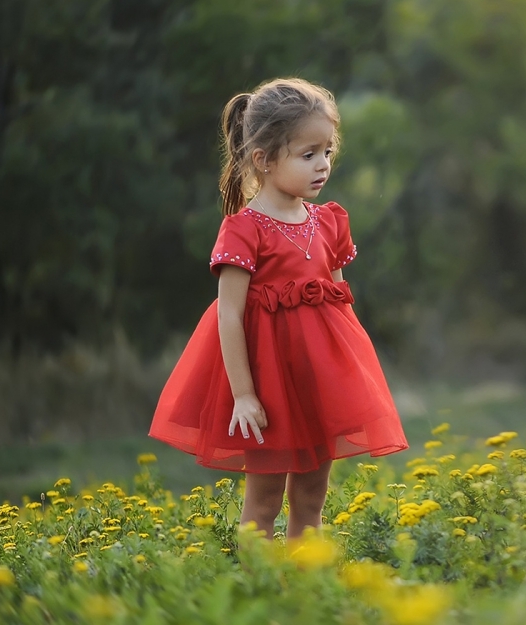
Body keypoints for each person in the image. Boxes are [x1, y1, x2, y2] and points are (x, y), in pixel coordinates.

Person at [150, 78, 408, 539]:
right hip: (268, 389)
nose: (323, 165)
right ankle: (265, 596)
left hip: (317, 385)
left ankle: (303, 593)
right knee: (264, 504)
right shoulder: (244, 230)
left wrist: (350, 379)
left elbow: (340, 304)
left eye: (327, 151)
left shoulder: (329, 221)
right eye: (307, 155)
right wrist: (245, 394)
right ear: (264, 160)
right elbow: (228, 316)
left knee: (311, 499)